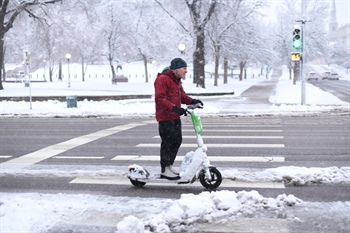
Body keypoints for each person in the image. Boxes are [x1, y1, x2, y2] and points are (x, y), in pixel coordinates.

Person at [154, 58, 203, 180]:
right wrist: (175, 108)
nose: (186, 71)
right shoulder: (162, 79)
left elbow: (182, 96)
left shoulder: (177, 81)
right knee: (167, 142)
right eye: (184, 68)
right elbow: (160, 99)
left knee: (177, 141)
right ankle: (164, 169)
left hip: (175, 117)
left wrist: (192, 101)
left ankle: (169, 166)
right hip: (165, 118)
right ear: (176, 69)